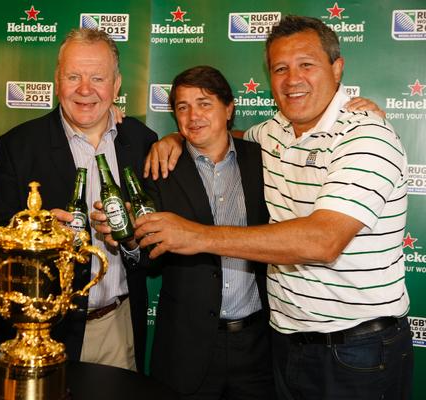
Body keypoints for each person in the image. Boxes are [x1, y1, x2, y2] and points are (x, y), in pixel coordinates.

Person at [138, 15, 412, 400]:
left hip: (357, 351)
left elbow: (323, 240)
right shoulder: (274, 132)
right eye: (280, 68)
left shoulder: (366, 136)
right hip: (285, 346)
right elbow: (220, 136)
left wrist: (195, 235)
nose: (292, 78)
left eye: (306, 65)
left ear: (337, 68)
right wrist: (176, 138)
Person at [0, 28, 157, 372]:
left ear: (117, 84)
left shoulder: (142, 141)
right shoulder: (18, 145)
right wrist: (37, 234)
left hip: (116, 327)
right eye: (73, 76)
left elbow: (154, 253)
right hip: (39, 330)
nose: (85, 89)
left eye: (98, 77)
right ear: (56, 80)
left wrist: (130, 239)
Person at [148, 65, 275, 399]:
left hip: (257, 344)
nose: (193, 116)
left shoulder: (263, 160)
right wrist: (132, 239)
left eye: (204, 103)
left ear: (229, 108)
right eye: (183, 107)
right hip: (185, 348)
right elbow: (146, 257)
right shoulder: (162, 167)